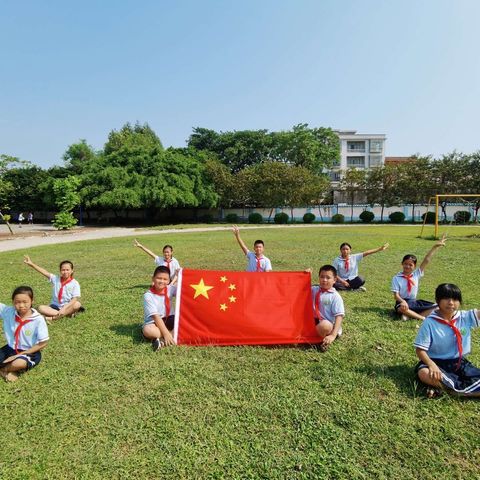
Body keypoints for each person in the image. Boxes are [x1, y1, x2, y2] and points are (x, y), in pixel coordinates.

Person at [414, 283, 480, 398]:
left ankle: (446, 390)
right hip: (435, 362)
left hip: (459, 362)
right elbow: (420, 350)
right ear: (437, 300)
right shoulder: (430, 322)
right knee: (424, 373)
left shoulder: (465, 317)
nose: (451, 302)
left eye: (455, 299)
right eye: (446, 298)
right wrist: (432, 365)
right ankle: (460, 391)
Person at [391, 234, 446, 321]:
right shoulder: (396, 278)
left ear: (414, 266)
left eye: (410, 265)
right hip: (402, 302)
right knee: (401, 308)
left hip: (414, 302)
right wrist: (403, 301)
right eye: (405, 264)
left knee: (437, 307)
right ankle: (422, 317)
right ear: (402, 264)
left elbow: (426, 260)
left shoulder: (416, 274)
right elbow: (396, 296)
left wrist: (435, 247)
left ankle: (409, 315)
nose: (407, 266)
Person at [0, 286, 49, 382]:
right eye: (17, 302)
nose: (21, 305)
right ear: (13, 302)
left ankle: (5, 369)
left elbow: (43, 343)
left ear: (32, 301)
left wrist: (19, 355)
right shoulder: (8, 312)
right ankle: (10, 370)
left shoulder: (38, 319)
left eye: (25, 302)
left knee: (18, 363)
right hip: (10, 348)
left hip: (29, 352)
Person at [23, 255, 84, 321]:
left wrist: (64, 308)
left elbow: (74, 299)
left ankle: (52, 318)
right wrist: (31, 264)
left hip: (67, 307)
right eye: (63, 270)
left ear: (72, 270)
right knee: (41, 308)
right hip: (54, 307)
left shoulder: (75, 283)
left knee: (77, 304)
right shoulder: (55, 279)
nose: (65, 272)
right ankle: (67, 314)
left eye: (67, 270)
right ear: (60, 271)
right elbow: (44, 272)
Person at [311, 265, 345, 352]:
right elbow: (300, 288)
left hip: (328, 326)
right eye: (322, 277)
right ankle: (312, 337)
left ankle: (320, 341)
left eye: (328, 277)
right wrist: (304, 275)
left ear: (334, 280)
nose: (324, 280)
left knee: (324, 325)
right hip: (313, 322)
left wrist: (333, 335)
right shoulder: (314, 289)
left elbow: (339, 316)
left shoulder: (335, 296)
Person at [143, 265, 177, 351]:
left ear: (169, 280)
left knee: (184, 322)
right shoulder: (148, 296)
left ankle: (161, 341)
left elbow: (185, 291)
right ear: (153, 278)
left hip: (170, 318)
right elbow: (155, 316)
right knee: (147, 330)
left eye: (165, 279)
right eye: (159, 278)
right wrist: (166, 333)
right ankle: (172, 335)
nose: (162, 281)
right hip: (155, 322)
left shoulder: (170, 289)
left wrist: (181, 275)